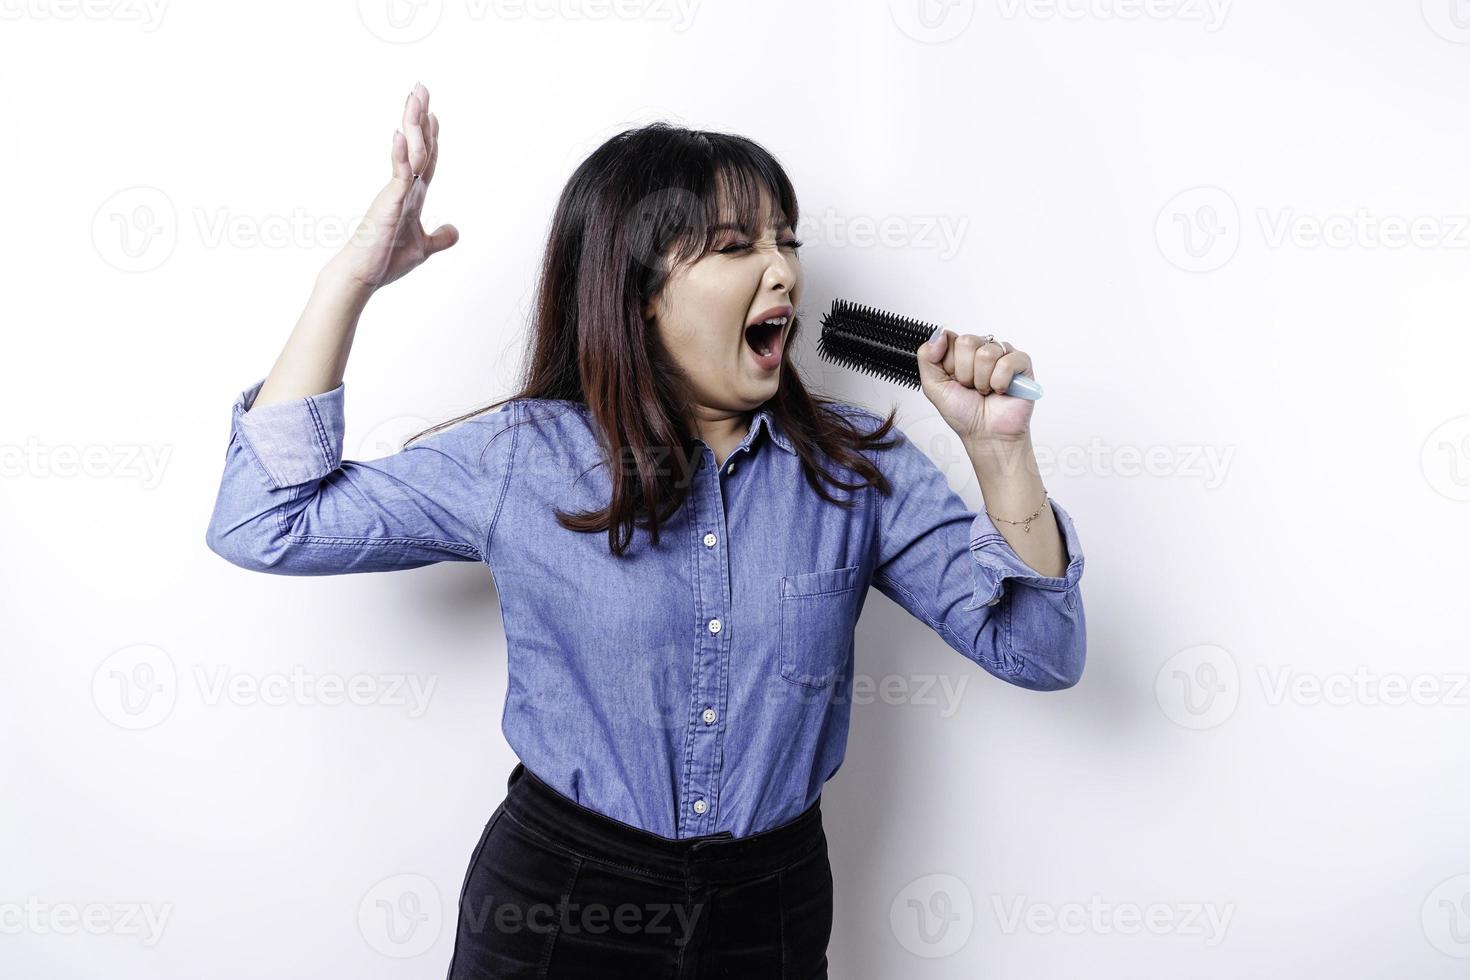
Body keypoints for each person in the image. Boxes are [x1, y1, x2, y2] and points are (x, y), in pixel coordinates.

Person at [204, 82, 1087, 979]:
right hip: (560, 902)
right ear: (640, 295)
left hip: (769, 910)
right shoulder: (524, 457)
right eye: (738, 246)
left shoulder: (859, 468)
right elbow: (262, 521)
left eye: (787, 240)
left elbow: (1042, 651)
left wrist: (999, 454)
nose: (782, 270)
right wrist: (346, 280)